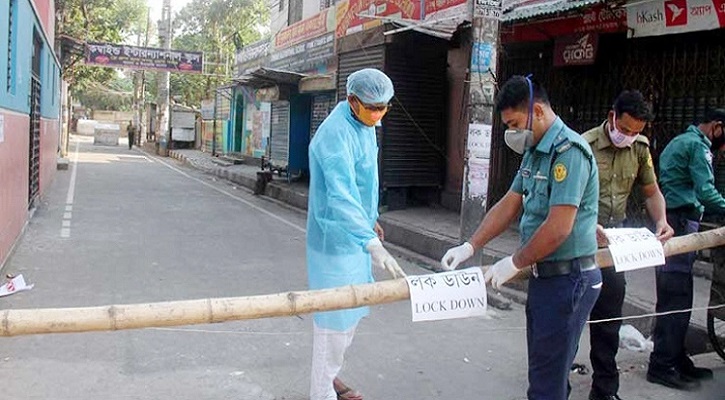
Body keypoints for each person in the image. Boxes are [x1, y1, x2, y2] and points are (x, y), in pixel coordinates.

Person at [440, 75, 602, 400]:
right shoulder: (535, 150)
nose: (512, 134)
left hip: (569, 280)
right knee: (548, 371)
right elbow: (509, 204)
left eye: (515, 124)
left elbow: (559, 227)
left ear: (537, 111)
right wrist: (471, 245)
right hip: (547, 279)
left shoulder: (569, 153)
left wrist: (514, 262)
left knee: (546, 382)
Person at [306, 68, 405, 400]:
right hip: (334, 240)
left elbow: (365, 179)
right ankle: (321, 392)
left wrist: (370, 220)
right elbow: (341, 195)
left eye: (384, 107)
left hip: (356, 234)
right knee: (334, 324)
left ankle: (330, 378)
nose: (379, 113)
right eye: (373, 107)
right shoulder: (335, 135)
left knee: (349, 317)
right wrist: (371, 242)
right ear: (352, 100)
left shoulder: (365, 124)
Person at [582, 91, 674, 400]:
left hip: (614, 241)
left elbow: (651, 191)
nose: (630, 137)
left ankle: (605, 389)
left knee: (609, 317)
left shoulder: (640, 149)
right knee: (568, 314)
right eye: (625, 130)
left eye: (637, 132)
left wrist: (661, 220)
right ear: (612, 117)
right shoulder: (584, 146)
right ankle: (555, 382)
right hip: (578, 237)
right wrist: (585, 225)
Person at [647, 108, 725, 390]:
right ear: (717, 127)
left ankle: (676, 358)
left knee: (675, 294)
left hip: (671, 221)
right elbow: (705, 192)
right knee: (676, 296)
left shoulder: (680, 141)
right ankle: (663, 364)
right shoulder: (698, 146)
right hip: (679, 223)